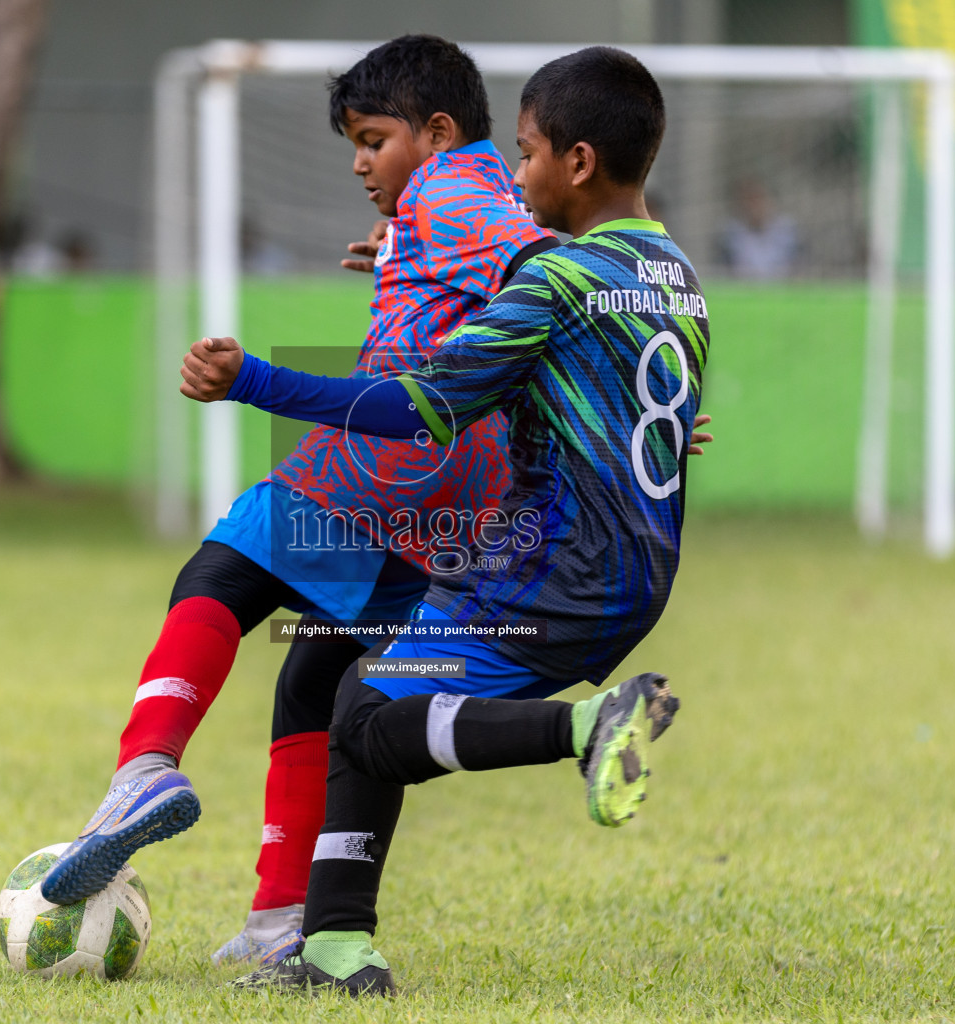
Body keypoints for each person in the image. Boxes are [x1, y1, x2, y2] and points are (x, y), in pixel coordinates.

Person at [180, 46, 709, 995]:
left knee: (375, 714)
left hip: (551, 563)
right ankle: (336, 946)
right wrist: (402, 257)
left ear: (578, 163)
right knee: (356, 694)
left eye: (527, 153)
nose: (514, 175)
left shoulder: (555, 284)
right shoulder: (672, 270)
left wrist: (252, 382)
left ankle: (587, 727)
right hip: (637, 564)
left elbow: (422, 407)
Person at [38, 35, 559, 957]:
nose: (361, 164)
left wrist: (422, 237)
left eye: (372, 140)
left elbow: (531, 261)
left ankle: (147, 767)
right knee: (315, 675)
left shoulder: (456, 194)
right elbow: (511, 272)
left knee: (221, 571)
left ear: (436, 134)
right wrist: (403, 251)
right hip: (450, 512)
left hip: (377, 466)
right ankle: (283, 918)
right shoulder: (454, 205)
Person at [721, 177, 798, 279]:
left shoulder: (786, 229)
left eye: (758, 199)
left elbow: (798, 266)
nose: (754, 206)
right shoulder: (731, 234)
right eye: (748, 200)